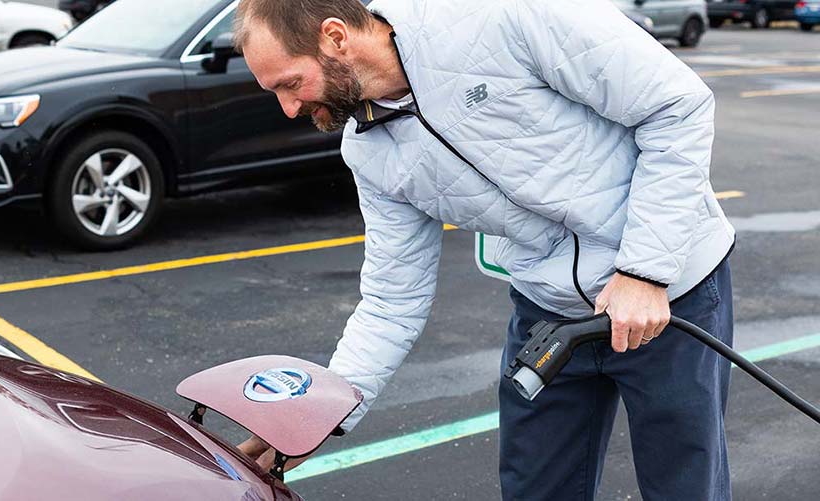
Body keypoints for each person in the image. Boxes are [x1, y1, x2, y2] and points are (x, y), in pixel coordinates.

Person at [226, 0, 736, 498]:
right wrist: (314, 419)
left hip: (670, 299)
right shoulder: (368, 151)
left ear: (336, 38)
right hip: (550, 315)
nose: (289, 108)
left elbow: (677, 105)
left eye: (290, 84)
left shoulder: (501, 17)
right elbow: (391, 301)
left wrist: (645, 272)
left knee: (683, 485)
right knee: (534, 487)